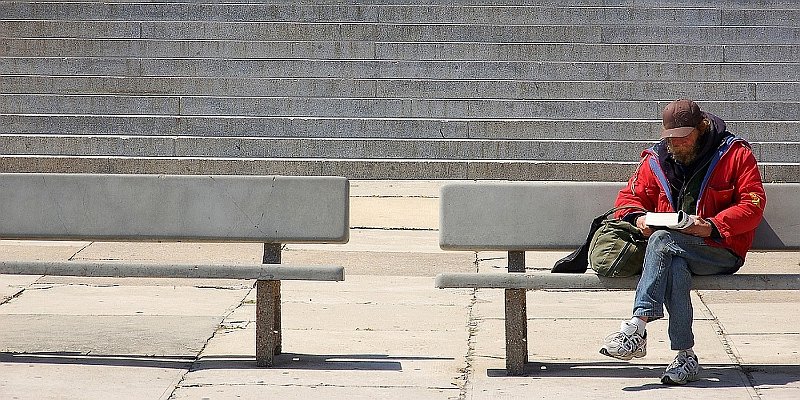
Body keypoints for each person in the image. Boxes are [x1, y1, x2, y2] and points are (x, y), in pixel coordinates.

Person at [598, 99, 766, 385]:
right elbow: (628, 198)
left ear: (700, 129)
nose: (676, 143)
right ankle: (684, 355)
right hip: (675, 252)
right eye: (671, 137)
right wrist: (638, 218)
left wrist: (712, 226)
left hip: (720, 250)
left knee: (663, 241)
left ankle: (637, 326)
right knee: (674, 264)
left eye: (683, 136)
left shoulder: (735, 154)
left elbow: (753, 204)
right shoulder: (656, 159)